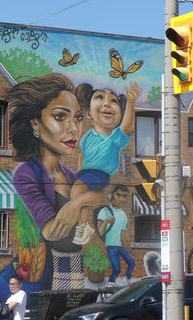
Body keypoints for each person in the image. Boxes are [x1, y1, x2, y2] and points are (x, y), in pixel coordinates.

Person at [8, 73, 97, 291]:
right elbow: (51, 231)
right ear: (35, 123)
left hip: (75, 266)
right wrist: (79, 203)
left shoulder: (71, 176)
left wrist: (82, 207)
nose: (74, 128)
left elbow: (88, 220)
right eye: (60, 117)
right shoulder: (27, 173)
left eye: (77, 118)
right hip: (48, 272)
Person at [55, 81, 142, 245]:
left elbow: (128, 128)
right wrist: (79, 174)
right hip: (85, 174)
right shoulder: (88, 136)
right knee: (77, 195)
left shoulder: (116, 136)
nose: (107, 103)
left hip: (101, 174)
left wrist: (131, 103)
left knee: (81, 198)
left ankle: (81, 221)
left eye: (113, 101)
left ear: (119, 117)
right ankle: (83, 226)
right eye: (100, 98)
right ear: (88, 113)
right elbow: (82, 155)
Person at [97, 184, 135, 286]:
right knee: (117, 269)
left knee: (131, 263)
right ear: (111, 196)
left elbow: (122, 233)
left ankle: (126, 278)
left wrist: (126, 244)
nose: (121, 199)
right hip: (111, 246)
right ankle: (111, 283)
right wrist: (106, 221)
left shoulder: (123, 215)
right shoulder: (104, 211)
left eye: (124, 196)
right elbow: (100, 232)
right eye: (118, 195)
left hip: (120, 246)